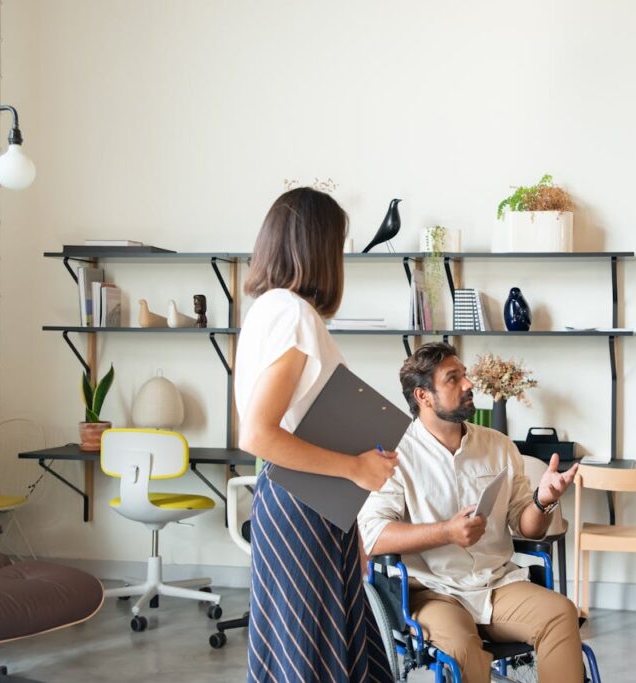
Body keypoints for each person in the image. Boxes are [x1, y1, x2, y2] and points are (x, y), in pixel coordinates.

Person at [235, 187, 396, 683]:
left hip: (309, 505)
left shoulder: (268, 310)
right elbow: (258, 435)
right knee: (314, 659)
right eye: (339, 245)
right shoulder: (293, 315)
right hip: (303, 507)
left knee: (324, 651)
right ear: (317, 247)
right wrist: (356, 467)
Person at [358, 342, 586, 683]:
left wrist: (543, 500)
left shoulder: (498, 446)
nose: (468, 385)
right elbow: (372, 535)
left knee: (560, 613)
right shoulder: (395, 454)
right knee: (463, 650)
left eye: (464, 375)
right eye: (453, 379)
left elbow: (529, 528)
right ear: (423, 396)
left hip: (498, 584)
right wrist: (446, 533)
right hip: (433, 591)